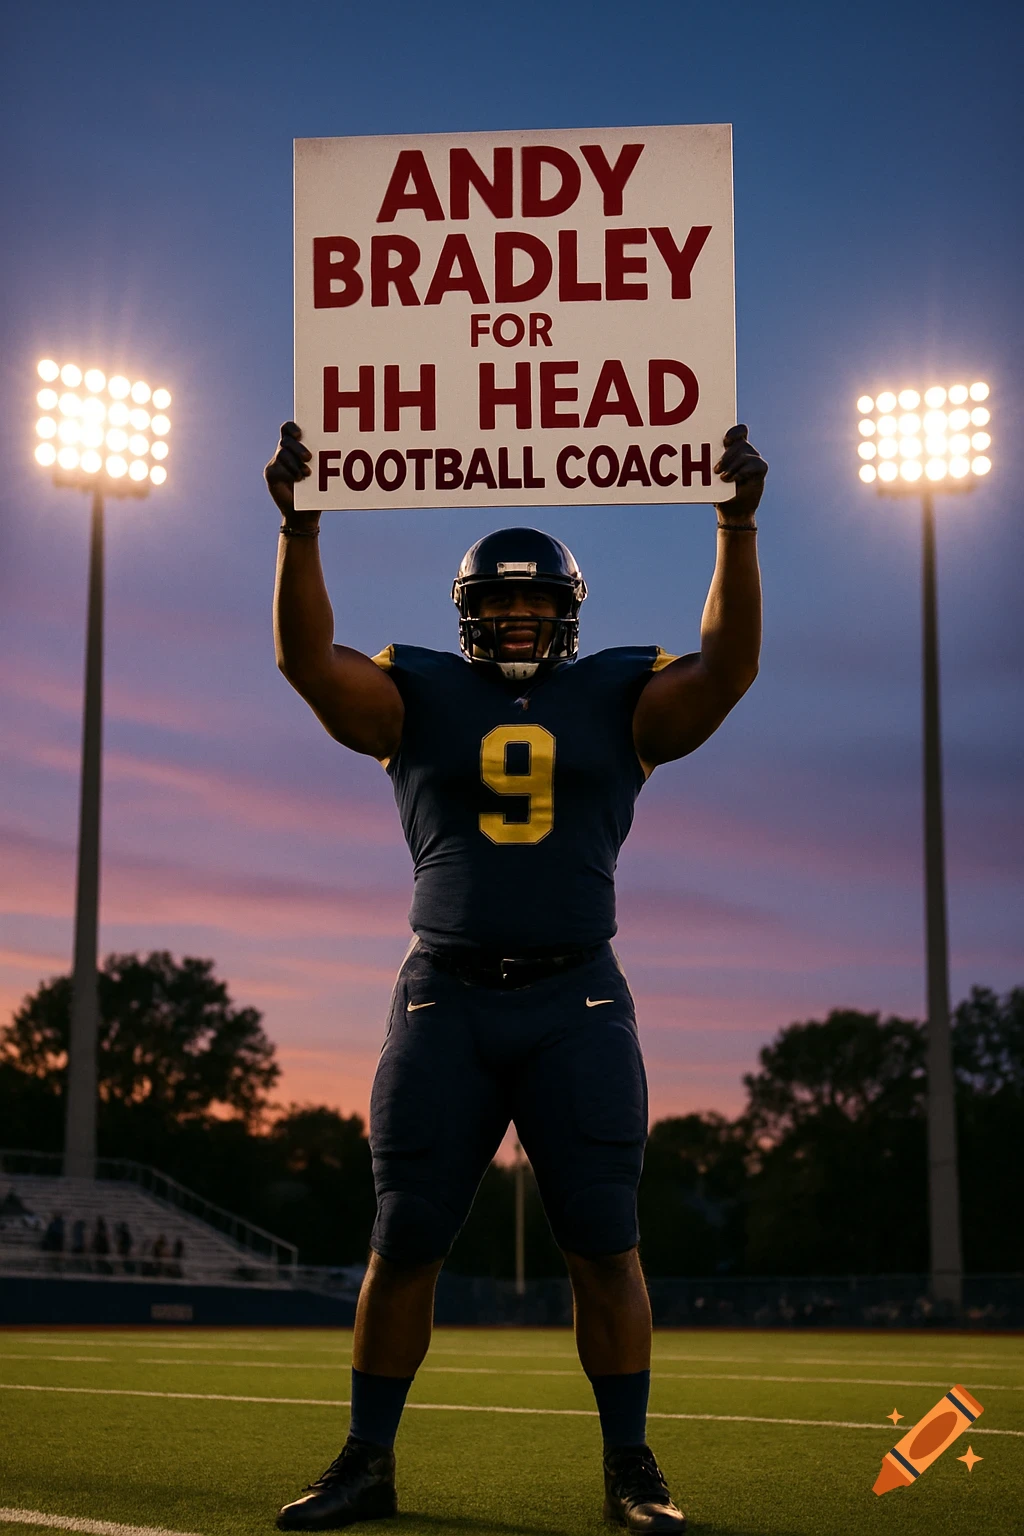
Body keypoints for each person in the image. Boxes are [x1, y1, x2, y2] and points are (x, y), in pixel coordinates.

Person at [266, 419, 766, 1534]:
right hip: (442, 996)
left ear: (568, 615)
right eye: (500, 605)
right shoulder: (417, 692)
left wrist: (735, 528)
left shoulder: (620, 695)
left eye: (537, 604)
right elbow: (306, 662)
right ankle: (367, 1461)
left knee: (605, 1240)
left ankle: (632, 1469)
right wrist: (300, 530)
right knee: (403, 1238)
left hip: (574, 999)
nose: (520, 620)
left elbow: (728, 668)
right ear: (468, 615)